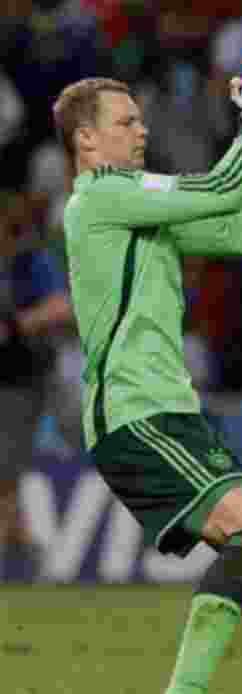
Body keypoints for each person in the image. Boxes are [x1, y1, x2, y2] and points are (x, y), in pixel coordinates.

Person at [56, 46, 242, 694]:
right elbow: (224, 187)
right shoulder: (101, 196)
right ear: (86, 139)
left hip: (171, 414)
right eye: (125, 122)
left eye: (140, 121)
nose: (141, 131)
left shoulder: (137, 206)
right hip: (136, 415)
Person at [0, 191, 75, 580]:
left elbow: (62, 307)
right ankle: (22, 551)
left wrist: (16, 326)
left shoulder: (30, 260)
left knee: (6, 468)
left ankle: (21, 551)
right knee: (5, 474)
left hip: (34, 376)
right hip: (8, 382)